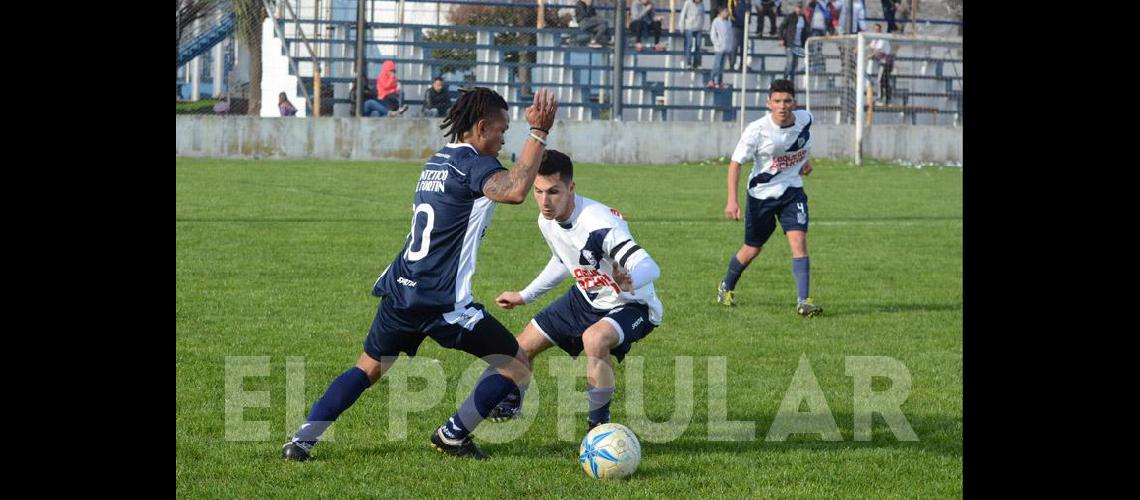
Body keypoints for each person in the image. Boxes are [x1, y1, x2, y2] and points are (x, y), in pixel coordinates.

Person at [281, 88, 560, 462]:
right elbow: (513, 191)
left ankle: (302, 440)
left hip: (401, 288)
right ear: (480, 128)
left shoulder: (439, 159)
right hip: (442, 302)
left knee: (368, 367)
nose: (504, 137)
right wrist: (538, 133)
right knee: (517, 364)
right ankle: (453, 435)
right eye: (501, 129)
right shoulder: (473, 164)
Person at [488, 149, 663, 429]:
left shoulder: (599, 224)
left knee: (594, 339)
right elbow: (562, 261)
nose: (545, 202)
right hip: (586, 298)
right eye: (538, 191)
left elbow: (650, 267)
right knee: (520, 348)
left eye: (554, 192)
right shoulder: (547, 220)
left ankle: (599, 428)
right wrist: (524, 296)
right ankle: (510, 406)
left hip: (630, 304)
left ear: (571, 188)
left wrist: (630, 280)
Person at [718, 79, 822, 318]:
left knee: (799, 241)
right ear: (769, 103)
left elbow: (798, 144)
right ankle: (726, 287)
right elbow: (735, 164)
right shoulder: (757, 130)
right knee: (752, 248)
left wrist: (803, 162)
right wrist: (732, 201)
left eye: (787, 101)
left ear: (794, 102)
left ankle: (804, 301)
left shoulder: (806, 119)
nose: (782, 106)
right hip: (761, 196)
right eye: (777, 101)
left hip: (792, 191)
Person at [866, 23, 893, 104]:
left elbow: (878, 51)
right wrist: (858, 49)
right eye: (875, 30)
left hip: (886, 62)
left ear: (880, 30)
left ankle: (880, 98)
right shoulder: (875, 39)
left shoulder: (882, 39)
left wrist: (870, 56)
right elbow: (869, 46)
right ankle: (887, 99)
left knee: (880, 80)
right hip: (882, 62)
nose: (876, 31)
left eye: (877, 30)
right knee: (885, 81)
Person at [778, 3, 806, 81]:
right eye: (798, 7)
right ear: (795, 8)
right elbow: (781, 27)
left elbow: (805, 31)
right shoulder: (790, 16)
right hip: (790, 44)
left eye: (800, 7)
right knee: (789, 63)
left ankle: (791, 83)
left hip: (798, 45)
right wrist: (781, 39)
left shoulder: (803, 18)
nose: (799, 9)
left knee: (795, 66)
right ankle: (784, 80)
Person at [710, 7, 735, 88]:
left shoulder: (728, 23)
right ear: (721, 12)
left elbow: (730, 36)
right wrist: (717, 44)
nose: (726, 13)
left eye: (727, 12)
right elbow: (713, 35)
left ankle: (719, 81)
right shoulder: (716, 21)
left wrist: (730, 46)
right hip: (719, 48)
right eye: (725, 12)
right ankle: (712, 80)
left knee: (722, 67)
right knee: (717, 65)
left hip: (726, 48)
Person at [679, 0, 707, 69]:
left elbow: (703, 15)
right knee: (689, 44)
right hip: (689, 27)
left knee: (698, 45)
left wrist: (702, 26)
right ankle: (688, 62)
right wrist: (681, 27)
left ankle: (697, 63)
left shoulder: (702, 4)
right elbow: (683, 14)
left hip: (698, 28)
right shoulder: (688, 3)